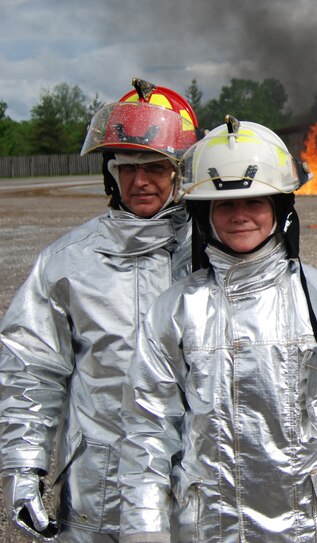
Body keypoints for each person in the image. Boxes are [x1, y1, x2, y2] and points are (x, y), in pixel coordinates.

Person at [117, 116, 317, 543]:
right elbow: (148, 428)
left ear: (280, 208)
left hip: (313, 529)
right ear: (205, 214)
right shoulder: (175, 310)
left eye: (254, 202)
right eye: (224, 205)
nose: (240, 216)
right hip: (208, 530)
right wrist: (145, 527)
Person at [0, 78, 199, 542]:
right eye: (126, 167)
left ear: (181, 170)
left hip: (201, 490)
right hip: (101, 490)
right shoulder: (66, 263)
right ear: (111, 173)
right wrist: (25, 468)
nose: (140, 181)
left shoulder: (216, 257)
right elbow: (31, 369)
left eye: (155, 166)